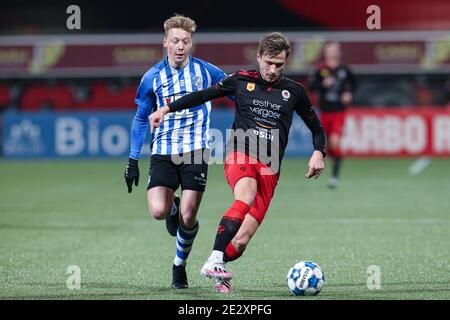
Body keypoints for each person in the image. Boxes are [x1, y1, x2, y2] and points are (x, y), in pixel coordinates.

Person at [150, 32, 326, 293]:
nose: (272, 69)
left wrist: (318, 151)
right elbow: (202, 96)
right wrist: (166, 109)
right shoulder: (241, 80)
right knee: (246, 193)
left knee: (241, 242)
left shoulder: (295, 91)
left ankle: (219, 264)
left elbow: (316, 127)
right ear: (259, 57)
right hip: (240, 153)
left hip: (270, 167)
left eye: (279, 64)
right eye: (268, 62)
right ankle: (215, 259)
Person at [124, 14, 228, 289]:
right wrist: (133, 159)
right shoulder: (152, 77)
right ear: (165, 43)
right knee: (159, 211)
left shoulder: (206, 71)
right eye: (175, 41)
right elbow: (140, 118)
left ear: (191, 43)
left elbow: (234, 89)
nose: (180, 46)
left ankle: (178, 266)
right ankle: (173, 210)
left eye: (186, 41)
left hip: (195, 149)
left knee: (189, 217)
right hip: (163, 151)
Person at [308, 42, 355, 188]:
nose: (333, 53)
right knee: (329, 147)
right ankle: (334, 166)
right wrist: (323, 83)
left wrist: (348, 94)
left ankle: (335, 176)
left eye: (335, 50)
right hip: (325, 112)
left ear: (339, 53)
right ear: (326, 52)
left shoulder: (345, 70)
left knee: (335, 141)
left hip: (339, 112)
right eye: (330, 50)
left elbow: (353, 85)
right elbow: (311, 86)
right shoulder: (320, 69)